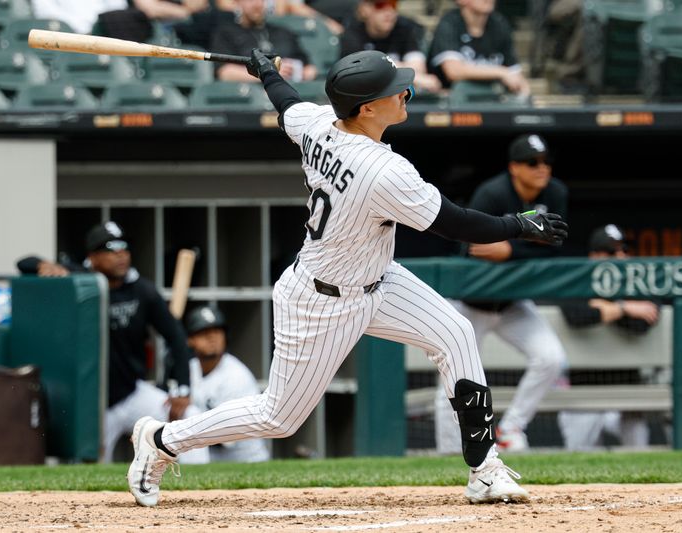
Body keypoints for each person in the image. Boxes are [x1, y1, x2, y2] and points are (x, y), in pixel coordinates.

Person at [126, 49, 569, 507]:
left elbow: (286, 105)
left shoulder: (319, 122)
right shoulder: (382, 170)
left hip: (378, 278)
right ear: (367, 108)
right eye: (394, 90)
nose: (406, 92)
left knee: (455, 333)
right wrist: (519, 224)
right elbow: (456, 224)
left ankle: (484, 469)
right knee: (278, 417)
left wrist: (267, 73)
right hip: (322, 300)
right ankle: (161, 439)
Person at [15, 222, 201, 462]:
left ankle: (195, 492)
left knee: (190, 419)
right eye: (111, 250)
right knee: (85, 467)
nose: (120, 256)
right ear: (92, 257)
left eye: (124, 249)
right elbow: (23, 263)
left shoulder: (141, 290)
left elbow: (176, 337)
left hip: (132, 392)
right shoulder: (76, 279)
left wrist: (183, 389)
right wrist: (44, 265)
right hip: (92, 402)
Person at [434, 133, 567, 455]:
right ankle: (449, 453)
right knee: (453, 379)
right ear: (514, 167)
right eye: (533, 163)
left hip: (512, 304)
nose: (542, 169)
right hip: (471, 304)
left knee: (551, 358)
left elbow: (556, 249)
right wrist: (524, 246)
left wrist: (510, 250)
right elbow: (475, 248)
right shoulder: (493, 194)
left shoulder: (556, 193)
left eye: (546, 162)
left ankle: (510, 428)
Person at [556, 224, 660, 450]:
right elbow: (575, 315)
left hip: (627, 391)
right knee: (577, 460)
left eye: (623, 250)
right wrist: (624, 307)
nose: (619, 256)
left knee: (638, 452)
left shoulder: (637, 283)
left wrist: (605, 308)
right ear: (594, 256)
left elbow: (643, 322)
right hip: (583, 392)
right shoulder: (578, 281)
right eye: (611, 252)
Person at [182, 305, 270, 463]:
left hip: (246, 461)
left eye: (217, 331)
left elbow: (226, 439)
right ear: (190, 340)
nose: (212, 338)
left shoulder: (236, 376)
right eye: (204, 332)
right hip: (211, 458)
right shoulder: (189, 369)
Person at [427, 0, 530, 96]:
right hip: (449, 103)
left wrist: (526, 99)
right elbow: (454, 71)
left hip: (490, 102)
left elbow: (515, 74)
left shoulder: (499, 24)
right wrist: (501, 72)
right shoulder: (449, 23)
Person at [340, 0, 441, 92]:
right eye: (380, 5)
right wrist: (407, 72)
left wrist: (382, 68)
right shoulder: (353, 32)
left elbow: (418, 70)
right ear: (365, 9)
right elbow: (363, 73)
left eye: (393, 4)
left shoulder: (405, 28)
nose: (389, 12)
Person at [210, 0, 317, 83]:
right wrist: (269, 73)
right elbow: (225, 73)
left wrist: (297, 73)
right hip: (251, 96)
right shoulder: (226, 33)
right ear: (237, 2)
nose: (257, 4)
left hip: (289, 92)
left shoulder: (283, 31)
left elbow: (310, 69)